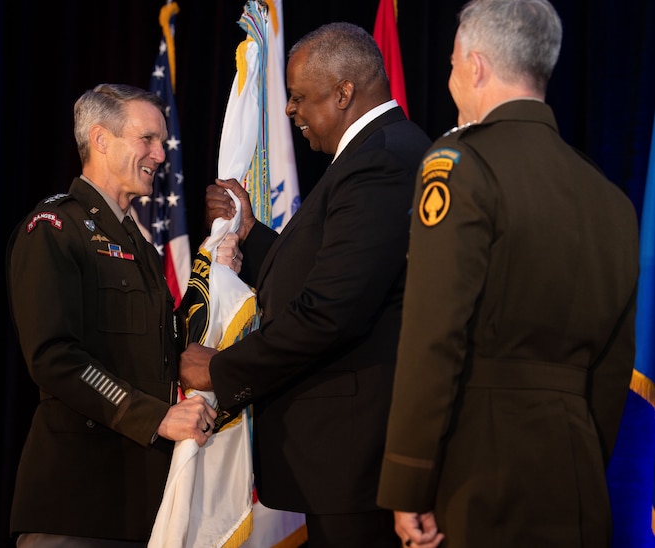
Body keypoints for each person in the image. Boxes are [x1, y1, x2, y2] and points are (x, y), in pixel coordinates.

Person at [375, 1, 640, 546]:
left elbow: (433, 338)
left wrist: (408, 481)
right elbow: (614, 366)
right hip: (577, 476)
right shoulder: (610, 199)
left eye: (451, 66)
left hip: (480, 477)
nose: (451, 80)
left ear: (475, 66)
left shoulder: (460, 166)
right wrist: (584, 454)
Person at [179, 22, 432, 547]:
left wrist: (221, 370)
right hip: (342, 460)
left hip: (353, 458)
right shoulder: (375, 154)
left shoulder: (380, 161)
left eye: (298, 98)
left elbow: (330, 311)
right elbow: (329, 273)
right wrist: (251, 233)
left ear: (344, 92)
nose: (290, 111)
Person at [6, 83, 220, 547]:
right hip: (77, 505)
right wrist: (156, 418)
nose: (161, 154)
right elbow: (54, 358)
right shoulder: (54, 230)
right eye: (148, 139)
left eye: (161, 142)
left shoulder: (135, 242)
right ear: (101, 139)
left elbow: (161, 349)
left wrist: (215, 267)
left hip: (140, 503)